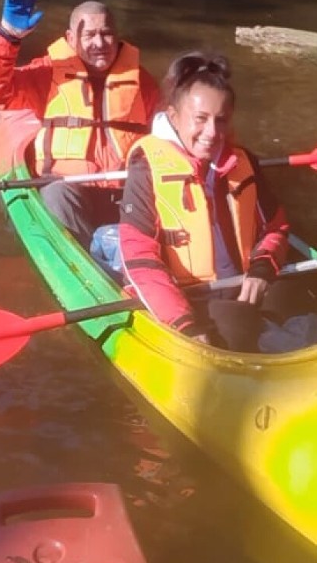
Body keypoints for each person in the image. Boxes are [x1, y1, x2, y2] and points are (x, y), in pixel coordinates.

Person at [118, 51, 291, 352]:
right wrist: (183, 322)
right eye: (200, 119)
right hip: (187, 297)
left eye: (221, 120)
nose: (212, 133)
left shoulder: (245, 161)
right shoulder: (146, 167)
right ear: (174, 117)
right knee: (237, 333)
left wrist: (263, 268)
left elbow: (278, 228)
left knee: (290, 302)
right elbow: (140, 258)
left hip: (242, 288)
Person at [0, 0, 160, 248]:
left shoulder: (142, 82)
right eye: (89, 35)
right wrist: (8, 35)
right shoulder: (47, 74)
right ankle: (85, 262)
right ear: (71, 38)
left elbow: (164, 136)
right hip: (67, 188)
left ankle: (136, 260)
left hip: (124, 190)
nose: (99, 43)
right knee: (58, 194)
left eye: (106, 34)